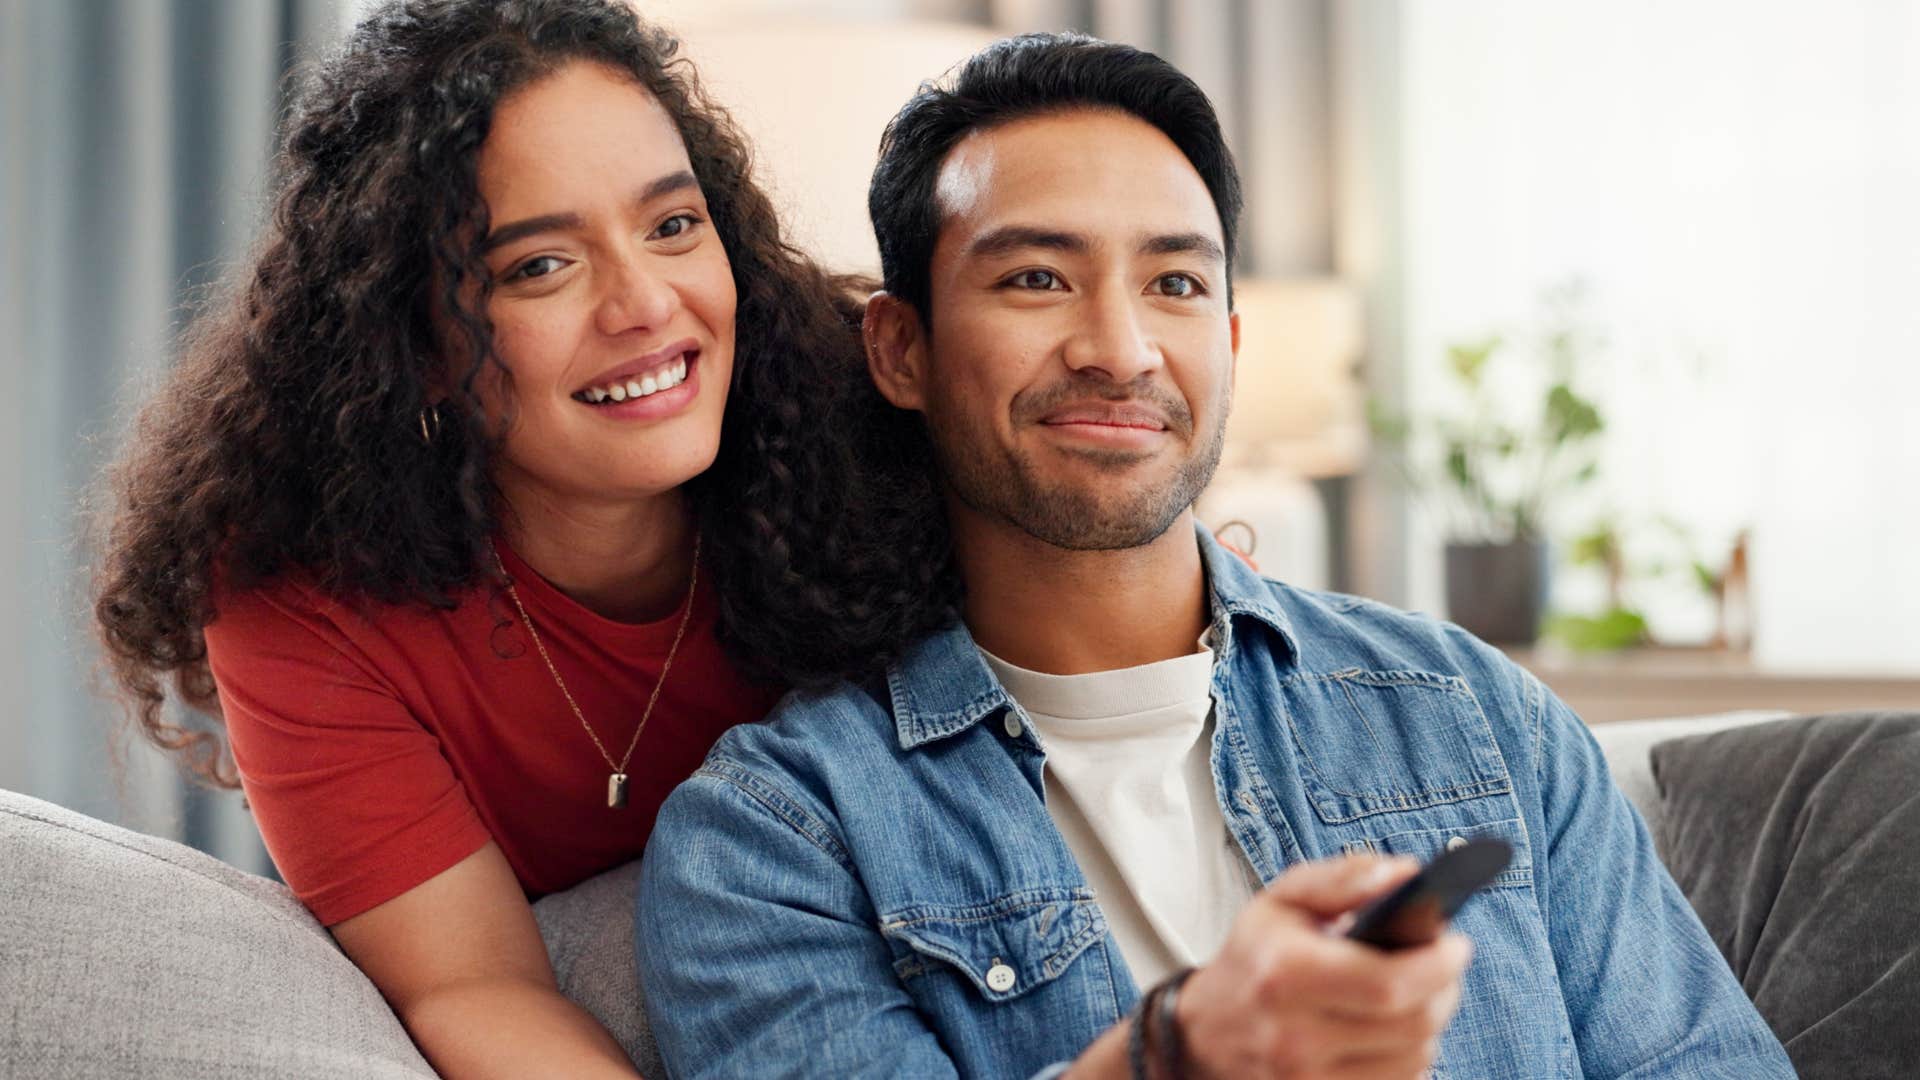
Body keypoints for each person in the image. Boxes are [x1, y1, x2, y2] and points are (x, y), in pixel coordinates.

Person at [635, 33, 1796, 1079]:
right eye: (1036, 277)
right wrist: (1182, 1054)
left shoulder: (1479, 717)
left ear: (1229, 346)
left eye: (1176, 284)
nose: (1121, 348)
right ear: (902, 351)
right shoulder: (771, 842)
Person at [89, 2, 943, 1076]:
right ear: (417, 344)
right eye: (539, 266)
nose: (645, 305)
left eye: (674, 226)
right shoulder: (293, 595)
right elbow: (475, 987)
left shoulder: (884, 439)